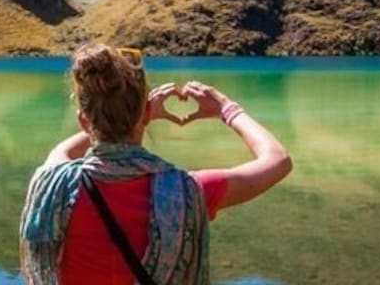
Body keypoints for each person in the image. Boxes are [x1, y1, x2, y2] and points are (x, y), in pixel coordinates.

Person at [19, 45, 293, 285]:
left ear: (83, 120)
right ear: (146, 113)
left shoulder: (58, 185)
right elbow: (278, 160)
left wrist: (121, 117)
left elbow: (61, 151)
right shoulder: (187, 192)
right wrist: (226, 109)